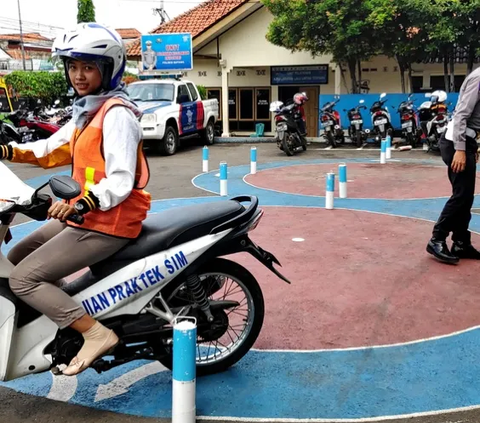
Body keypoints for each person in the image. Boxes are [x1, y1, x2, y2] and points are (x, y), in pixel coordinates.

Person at [0, 23, 151, 376]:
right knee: (17, 257)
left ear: (108, 69)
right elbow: (50, 149)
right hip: (86, 216)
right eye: (72, 67)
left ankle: (95, 332)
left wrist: (80, 204)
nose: (78, 75)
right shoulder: (89, 111)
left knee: (23, 279)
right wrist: (7, 150)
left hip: (109, 220)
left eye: (88, 67)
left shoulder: (116, 115)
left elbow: (120, 180)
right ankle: (72, 308)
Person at [427, 68, 480, 264]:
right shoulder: (479, 78)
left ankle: (460, 242)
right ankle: (437, 239)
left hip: (468, 141)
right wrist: (460, 149)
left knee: (466, 197)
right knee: (461, 195)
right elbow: (461, 114)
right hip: (457, 141)